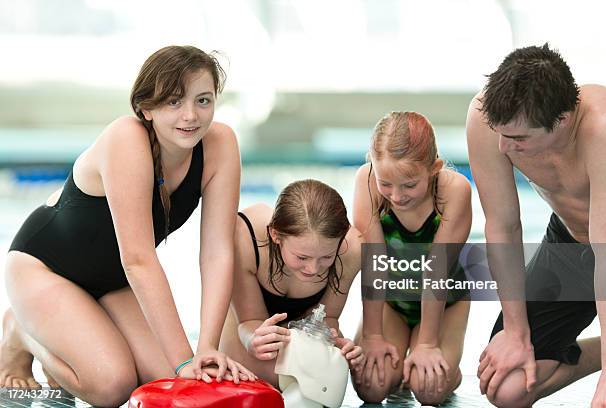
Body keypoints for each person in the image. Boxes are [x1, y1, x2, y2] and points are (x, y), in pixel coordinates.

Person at [0, 45, 254, 407]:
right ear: (146, 108)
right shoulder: (126, 138)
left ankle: (77, 330)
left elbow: (217, 252)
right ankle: (20, 331)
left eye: (203, 100)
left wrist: (205, 349)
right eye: (173, 102)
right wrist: (184, 359)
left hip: (113, 281)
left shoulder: (221, 144)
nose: (190, 116)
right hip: (45, 268)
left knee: (165, 381)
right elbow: (138, 259)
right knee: (112, 385)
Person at [467, 43, 606, 407]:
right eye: (499, 132)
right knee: (509, 388)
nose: (502, 147)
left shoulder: (603, 129)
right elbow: (502, 227)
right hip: (570, 243)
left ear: (561, 121)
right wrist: (516, 332)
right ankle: (593, 355)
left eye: (518, 139)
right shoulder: (489, 120)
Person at [352, 111, 472, 405]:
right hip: (393, 302)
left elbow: (437, 271)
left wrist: (428, 345)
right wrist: (372, 336)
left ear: (434, 168)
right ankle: (403, 350)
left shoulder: (453, 190)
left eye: (409, 185)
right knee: (372, 385)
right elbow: (374, 261)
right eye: (387, 184)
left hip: (446, 304)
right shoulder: (366, 181)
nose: (397, 196)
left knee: (429, 389)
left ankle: (449, 369)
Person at [219, 179, 365, 387]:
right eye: (302, 257)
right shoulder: (245, 235)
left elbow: (327, 317)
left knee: (330, 381)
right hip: (244, 325)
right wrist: (252, 340)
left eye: (326, 257)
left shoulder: (351, 249)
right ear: (275, 234)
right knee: (259, 383)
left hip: (302, 330)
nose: (313, 269)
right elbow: (249, 320)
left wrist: (336, 347)